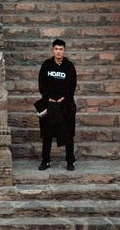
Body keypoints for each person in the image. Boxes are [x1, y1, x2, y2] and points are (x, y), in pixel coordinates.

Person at [37, 38, 77, 172]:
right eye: (56, 49)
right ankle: (45, 161)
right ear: (53, 50)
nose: (58, 51)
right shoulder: (46, 65)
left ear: (64, 51)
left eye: (61, 49)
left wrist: (64, 98)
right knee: (47, 135)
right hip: (50, 104)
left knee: (68, 134)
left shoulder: (69, 66)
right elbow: (41, 84)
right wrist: (48, 98)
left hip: (66, 106)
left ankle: (70, 161)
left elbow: (72, 86)